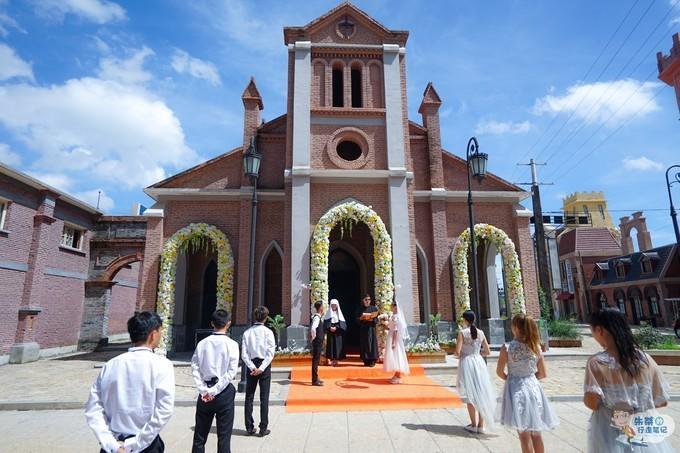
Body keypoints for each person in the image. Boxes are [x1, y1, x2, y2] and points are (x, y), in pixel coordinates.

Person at [584, 308, 673, 452]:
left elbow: (592, 402)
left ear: (599, 330)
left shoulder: (598, 362)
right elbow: (661, 400)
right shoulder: (646, 360)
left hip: (610, 429)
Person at [85, 311, 175, 453]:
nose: (160, 335)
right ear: (153, 334)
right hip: (146, 446)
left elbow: (93, 408)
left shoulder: (111, 365)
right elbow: (164, 410)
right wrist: (135, 444)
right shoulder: (162, 365)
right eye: (160, 331)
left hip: (113, 445)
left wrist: (112, 444)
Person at [497, 313, 558, 453]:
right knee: (536, 433)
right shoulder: (535, 346)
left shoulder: (507, 347)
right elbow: (543, 373)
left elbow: (499, 372)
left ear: (515, 328)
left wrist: (512, 378)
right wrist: (529, 377)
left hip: (516, 389)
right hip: (533, 388)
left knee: (524, 434)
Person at [190, 309, 239, 453]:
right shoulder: (232, 345)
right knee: (224, 437)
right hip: (223, 392)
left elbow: (194, 366)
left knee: (199, 435)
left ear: (212, 323)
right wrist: (215, 390)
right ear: (228, 324)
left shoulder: (202, 343)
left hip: (204, 392)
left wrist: (203, 389)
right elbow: (231, 372)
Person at [455, 310, 495, 434]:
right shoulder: (481, 333)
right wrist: (477, 354)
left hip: (467, 362)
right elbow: (488, 352)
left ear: (465, 320)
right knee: (481, 391)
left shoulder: (462, 333)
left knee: (470, 393)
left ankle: (473, 424)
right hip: (478, 362)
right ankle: (481, 425)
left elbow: (457, 351)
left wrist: (463, 355)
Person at [242, 306, 276, 437]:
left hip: (252, 365)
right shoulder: (268, 332)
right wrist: (261, 368)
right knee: (264, 397)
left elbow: (244, 354)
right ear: (266, 318)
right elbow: (270, 352)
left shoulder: (247, 332)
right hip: (264, 365)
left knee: (249, 396)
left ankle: (249, 427)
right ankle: (263, 427)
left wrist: (252, 367)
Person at [383, 301, 410, 384]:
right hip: (394, 337)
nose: (390, 307)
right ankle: (396, 375)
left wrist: (393, 342)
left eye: (391, 306)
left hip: (394, 338)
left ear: (395, 307)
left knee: (396, 355)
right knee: (396, 355)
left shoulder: (395, 317)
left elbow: (395, 330)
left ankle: (398, 376)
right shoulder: (395, 316)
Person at [356, 294, 379, 367]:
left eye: (369, 299)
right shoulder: (359, 309)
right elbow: (356, 319)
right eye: (366, 299)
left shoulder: (374, 308)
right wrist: (361, 318)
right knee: (365, 344)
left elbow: (377, 319)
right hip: (364, 329)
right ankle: (365, 360)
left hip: (371, 329)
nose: (367, 301)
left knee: (372, 344)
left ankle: (372, 360)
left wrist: (372, 319)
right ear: (363, 300)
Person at [323, 299, 346, 366]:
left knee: (337, 346)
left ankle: (336, 360)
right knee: (331, 346)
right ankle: (330, 360)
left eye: (335, 305)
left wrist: (336, 328)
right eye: (332, 305)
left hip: (338, 333)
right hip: (330, 333)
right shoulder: (328, 314)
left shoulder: (339, 314)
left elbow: (343, 325)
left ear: (337, 306)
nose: (333, 306)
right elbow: (326, 323)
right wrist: (329, 327)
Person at [310, 301, 325, 386]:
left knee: (316, 360)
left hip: (318, 342)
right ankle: (314, 380)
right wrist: (314, 337)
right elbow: (313, 328)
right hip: (317, 342)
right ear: (320, 308)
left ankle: (316, 378)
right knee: (315, 361)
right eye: (323, 306)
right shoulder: (317, 318)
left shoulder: (318, 317)